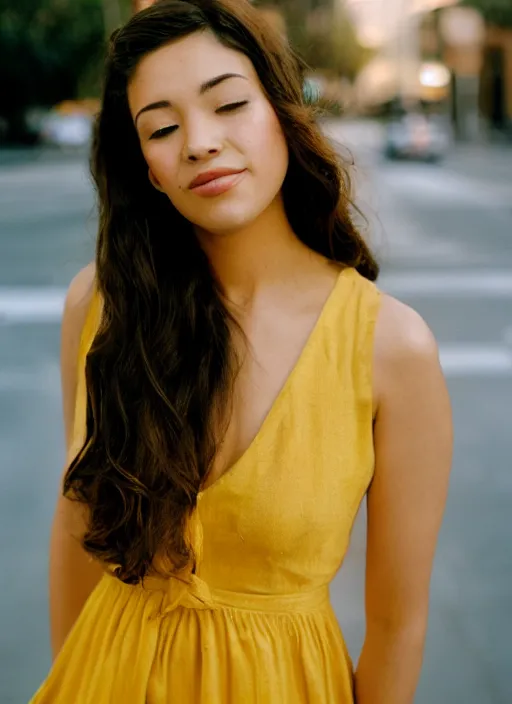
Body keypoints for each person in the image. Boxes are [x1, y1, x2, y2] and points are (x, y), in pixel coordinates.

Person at [30, 1, 453, 702]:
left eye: (228, 105)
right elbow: (78, 523)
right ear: (149, 170)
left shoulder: (389, 345)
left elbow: (398, 623)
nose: (199, 142)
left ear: (283, 115)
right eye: (162, 128)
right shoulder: (103, 304)